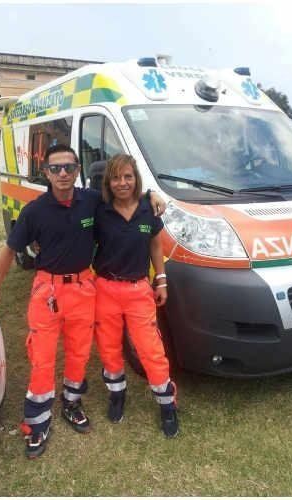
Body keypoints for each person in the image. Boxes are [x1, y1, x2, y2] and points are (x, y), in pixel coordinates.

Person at [0, 144, 165, 458]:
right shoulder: (34, 211)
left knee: (79, 352)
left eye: (69, 168)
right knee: (43, 357)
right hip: (48, 291)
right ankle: (37, 420)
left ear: (78, 171)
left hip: (84, 288)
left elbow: (124, 190)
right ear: (46, 172)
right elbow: (8, 250)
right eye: (56, 168)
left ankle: (72, 402)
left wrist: (151, 195)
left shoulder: (91, 200)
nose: (63, 174)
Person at [92, 154, 178, 438]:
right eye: (116, 177)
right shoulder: (99, 209)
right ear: (108, 181)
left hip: (139, 289)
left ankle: (167, 404)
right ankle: (117, 394)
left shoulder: (147, 209)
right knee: (108, 347)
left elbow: (155, 247)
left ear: (135, 178)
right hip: (105, 289)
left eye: (128, 176)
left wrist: (161, 281)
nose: (122, 183)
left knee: (150, 348)